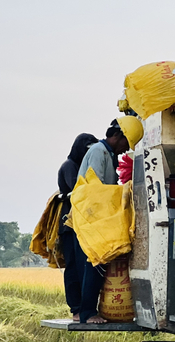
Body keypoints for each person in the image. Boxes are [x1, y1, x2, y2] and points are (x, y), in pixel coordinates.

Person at [77, 116, 143, 323]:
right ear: (116, 136)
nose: (125, 149)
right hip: (93, 216)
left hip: (100, 216)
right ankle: (87, 313)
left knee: (99, 264)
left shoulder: (108, 153)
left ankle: (93, 310)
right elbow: (96, 188)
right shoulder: (98, 151)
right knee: (94, 264)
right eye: (125, 143)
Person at [58, 133, 98, 321]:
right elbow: (78, 190)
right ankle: (76, 308)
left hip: (80, 222)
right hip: (69, 224)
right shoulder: (69, 166)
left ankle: (82, 306)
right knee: (73, 266)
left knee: (83, 266)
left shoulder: (80, 166)